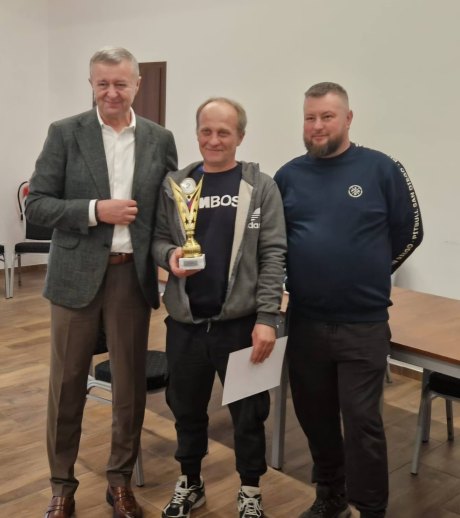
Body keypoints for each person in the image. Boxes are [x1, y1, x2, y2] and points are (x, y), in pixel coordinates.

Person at [26, 46, 177, 518]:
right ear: (91, 84)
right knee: (67, 384)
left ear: (137, 85)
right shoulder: (65, 133)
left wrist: (175, 253)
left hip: (131, 278)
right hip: (74, 278)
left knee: (129, 387)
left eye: (121, 83)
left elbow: (167, 212)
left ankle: (120, 482)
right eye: (103, 83)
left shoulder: (159, 139)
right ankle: (62, 486)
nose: (112, 92)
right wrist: (95, 210)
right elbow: (37, 205)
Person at [274, 82, 423, 518]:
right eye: (310, 117)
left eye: (327, 116)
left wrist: (370, 271)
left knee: (362, 422)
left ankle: (371, 509)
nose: (317, 126)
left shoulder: (381, 168)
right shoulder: (288, 176)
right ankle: (331, 496)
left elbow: (410, 232)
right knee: (315, 418)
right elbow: (275, 243)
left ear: (348, 118)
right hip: (306, 322)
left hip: (363, 324)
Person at [153, 97, 286, 518]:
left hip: (241, 327)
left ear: (240, 136)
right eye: (206, 131)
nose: (214, 140)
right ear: (197, 134)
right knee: (186, 409)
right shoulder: (177, 185)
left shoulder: (260, 188)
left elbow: (273, 254)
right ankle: (190, 482)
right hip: (186, 325)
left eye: (223, 132)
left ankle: (250, 490)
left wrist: (267, 318)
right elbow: (157, 239)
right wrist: (169, 255)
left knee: (249, 415)